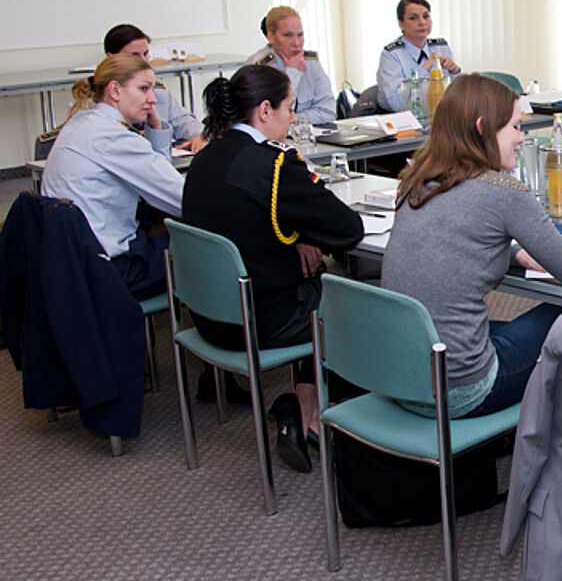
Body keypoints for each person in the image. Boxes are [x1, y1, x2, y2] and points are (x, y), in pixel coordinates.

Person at [382, 74, 562, 419]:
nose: (521, 137)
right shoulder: (503, 192)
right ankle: (551, 439)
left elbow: (454, 243)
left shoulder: (416, 181)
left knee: (502, 327)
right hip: (459, 392)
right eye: (515, 126)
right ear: (483, 127)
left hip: (400, 378)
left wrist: (516, 254)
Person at [182, 64, 364, 474]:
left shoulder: (205, 157)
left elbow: (243, 220)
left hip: (211, 317)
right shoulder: (275, 164)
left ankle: (302, 408)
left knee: (315, 286)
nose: (294, 119)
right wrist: (305, 232)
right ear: (265, 110)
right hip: (262, 320)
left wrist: (297, 234)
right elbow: (347, 230)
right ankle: (315, 411)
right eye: (289, 108)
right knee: (348, 296)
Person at [43, 54, 184, 300]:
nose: (153, 99)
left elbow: (159, 183)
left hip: (72, 265)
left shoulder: (81, 123)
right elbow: (181, 198)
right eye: (144, 89)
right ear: (115, 90)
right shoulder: (112, 137)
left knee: (159, 221)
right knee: (201, 243)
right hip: (111, 272)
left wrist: (156, 130)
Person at [93, 24, 206, 152]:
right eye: (134, 56)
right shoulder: (97, 101)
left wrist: (201, 135)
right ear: (111, 58)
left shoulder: (160, 94)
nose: (143, 61)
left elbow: (186, 123)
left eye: (146, 54)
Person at [246, 6, 337, 124]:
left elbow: (329, 112)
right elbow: (269, 119)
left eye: (300, 35)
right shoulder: (259, 67)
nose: (296, 43)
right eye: (287, 35)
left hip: (309, 132)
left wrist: (296, 120)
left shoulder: (310, 62)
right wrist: (292, 73)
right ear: (271, 37)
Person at [376, 0, 462, 112]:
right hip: (406, 119)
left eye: (426, 16)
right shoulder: (392, 55)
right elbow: (395, 103)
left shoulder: (441, 47)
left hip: (441, 116)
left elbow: (459, 96)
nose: (422, 22)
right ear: (401, 23)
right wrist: (425, 68)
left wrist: (455, 71)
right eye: (413, 18)